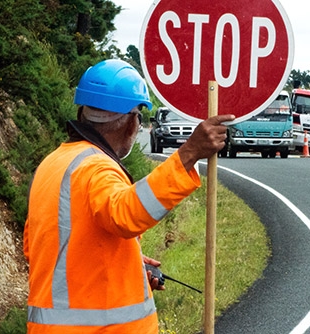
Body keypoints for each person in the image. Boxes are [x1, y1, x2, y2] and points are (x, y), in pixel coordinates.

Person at [23, 59, 234, 333]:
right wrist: (188, 154)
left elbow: (43, 246)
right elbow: (125, 215)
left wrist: (122, 261)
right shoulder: (95, 167)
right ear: (131, 120)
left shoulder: (54, 163)